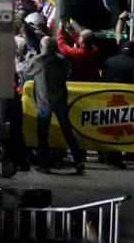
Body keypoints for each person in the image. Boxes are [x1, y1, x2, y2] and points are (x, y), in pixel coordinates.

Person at [23, 37, 86, 174]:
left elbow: (25, 71)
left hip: (45, 102)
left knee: (42, 135)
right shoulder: (62, 60)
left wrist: (31, 58)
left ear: (41, 46)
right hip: (61, 101)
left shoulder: (39, 61)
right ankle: (78, 160)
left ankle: (44, 164)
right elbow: (67, 75)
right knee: (67, 132)